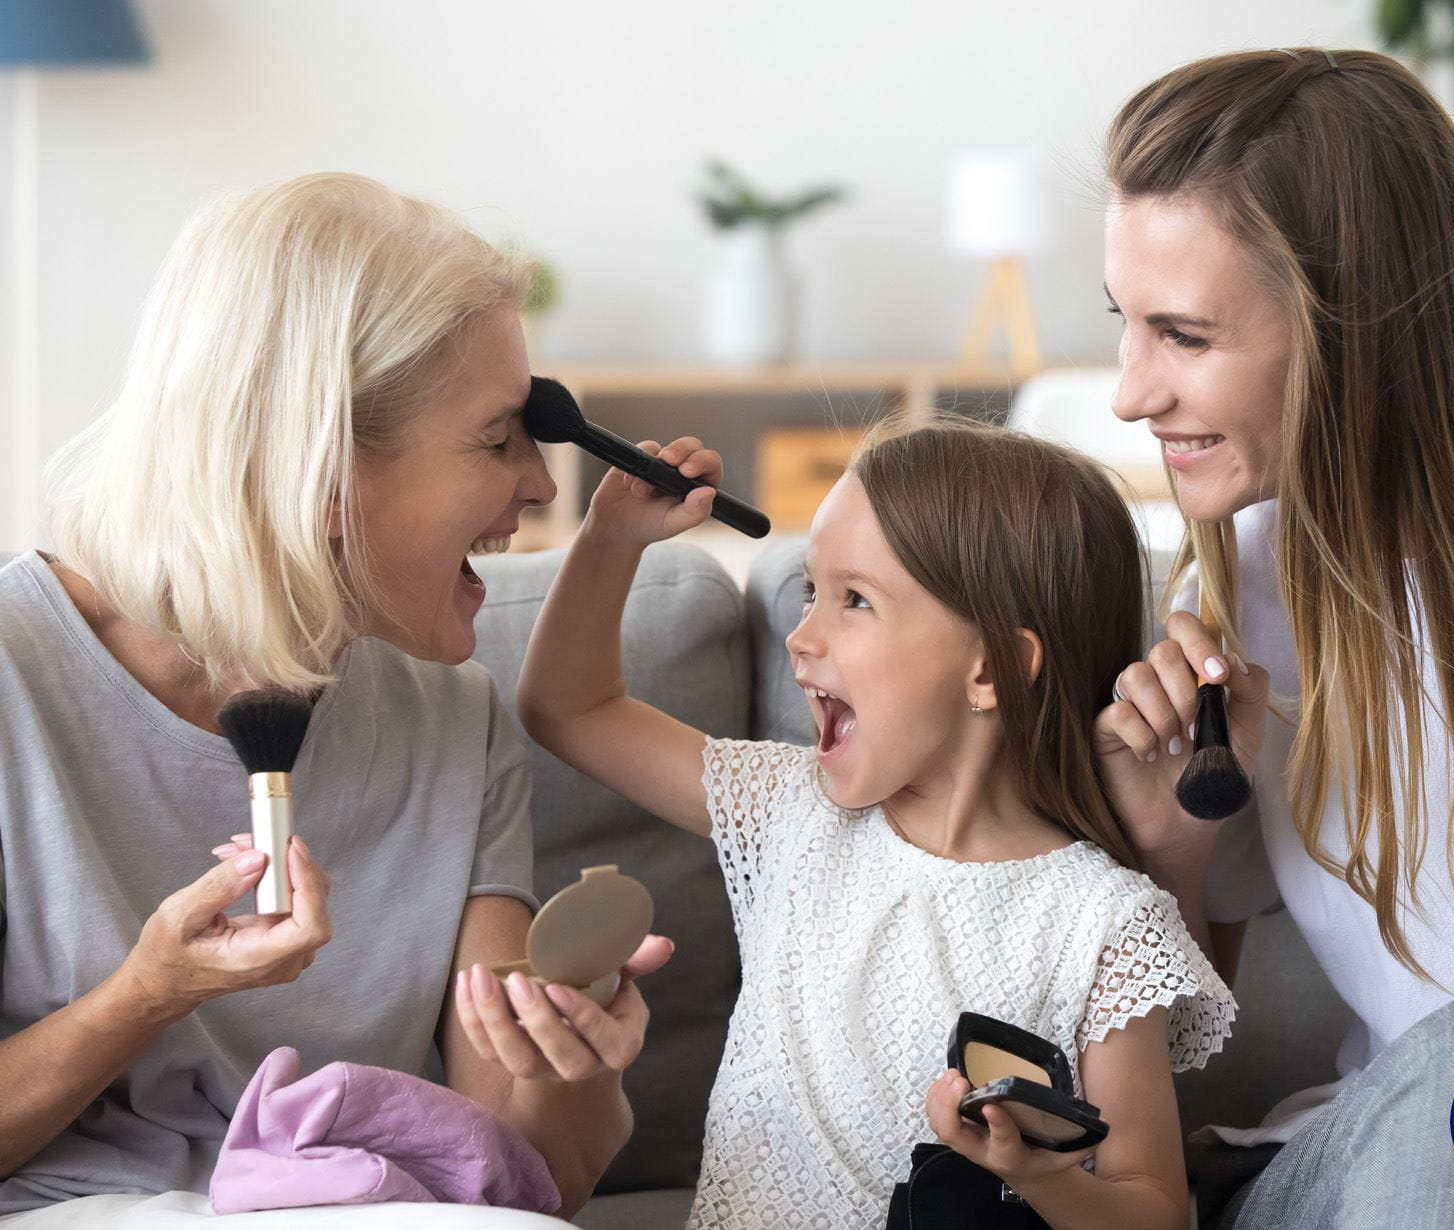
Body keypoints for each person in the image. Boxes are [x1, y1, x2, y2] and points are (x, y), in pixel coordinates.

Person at [0, 172, 668, 1223]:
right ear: (312, 464)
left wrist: (570, 1062)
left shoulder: (453, 718)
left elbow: (527, 1184)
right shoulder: (13, 682)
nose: (541, 485)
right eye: (497, 437)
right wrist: (151, 995)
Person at [1092, 48, 1454, 1228]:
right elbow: (1171, 1045)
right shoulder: (1238, 580)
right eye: (1123, 325)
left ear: (1356, 329)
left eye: (1181, 336)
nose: (1128, 394)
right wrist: (1167, 842)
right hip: (1373, 1158)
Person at [517, 418, 1234, 1229]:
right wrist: (612, 538)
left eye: (854, 600)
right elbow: (564, 709)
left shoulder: (1104, 923)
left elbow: (1156, 1213)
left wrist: (1036, 1174)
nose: (801, 637)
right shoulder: (788, 811)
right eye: (809, 593)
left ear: (990, 669)